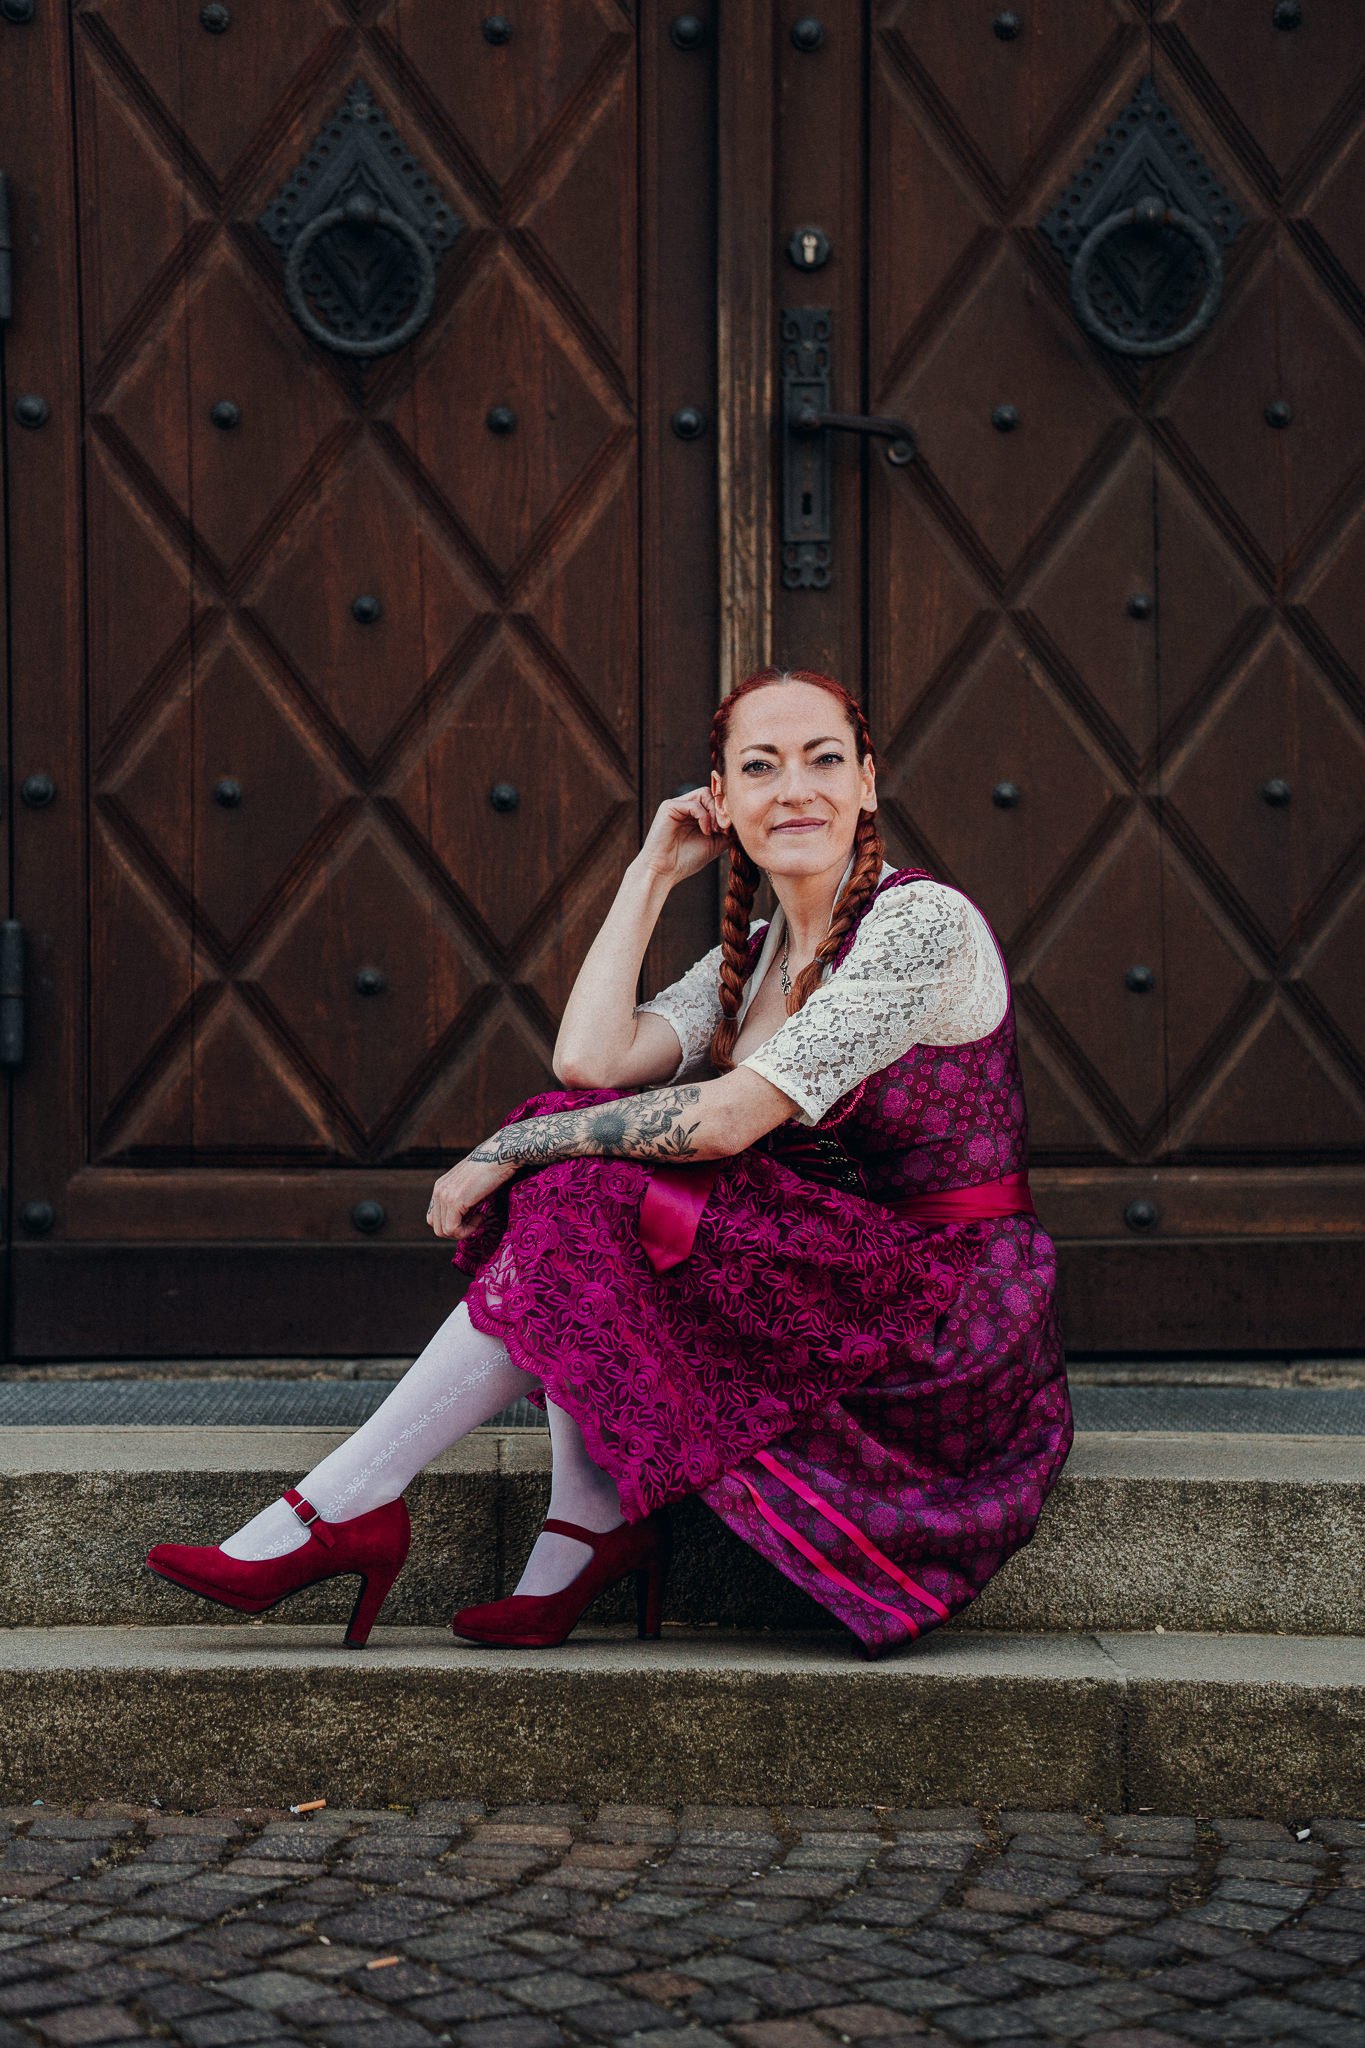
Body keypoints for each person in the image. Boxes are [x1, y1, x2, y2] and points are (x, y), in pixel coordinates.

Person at [147, 667, 1073, 1659]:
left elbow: (721, 1122)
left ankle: (354, 1506)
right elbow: (590, 1060)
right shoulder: (753, 952)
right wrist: (649, 872)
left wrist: (511, 1143)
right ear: (721, 799)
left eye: (823, 760)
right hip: (841, 1286)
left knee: (573, 1155)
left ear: (869, 782)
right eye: (759, 767)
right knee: (585, 1141)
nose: (795, 789)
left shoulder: (920, 923)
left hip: (944, 1320)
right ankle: (568, 1527)